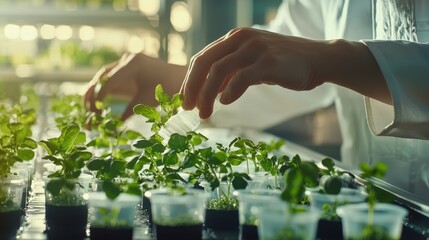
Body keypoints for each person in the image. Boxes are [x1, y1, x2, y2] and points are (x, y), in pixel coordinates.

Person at [84, 0, 429, 202]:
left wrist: (334, 59)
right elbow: (277, 70)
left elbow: (313, 60)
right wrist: (182, 79)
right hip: (361, 199)